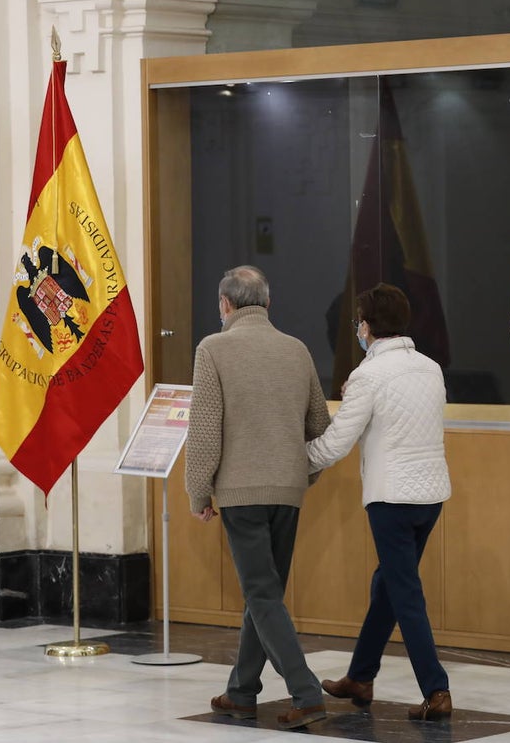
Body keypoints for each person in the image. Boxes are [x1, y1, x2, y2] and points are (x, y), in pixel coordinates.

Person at [185, 265, 331, 730]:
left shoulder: (213, 348)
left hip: (241, 492)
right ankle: (241, 692)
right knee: (263, 594)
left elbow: (205, 430)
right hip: (287, 491)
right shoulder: (297, 350)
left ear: (225, 305)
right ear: (267, 304)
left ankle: (306, 693)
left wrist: (198, 491)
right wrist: (301, 476)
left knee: (262, 595)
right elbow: (320, 430)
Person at [305, 283, 453, 721]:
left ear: (367, 326)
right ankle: (361, 677)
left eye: (358, 322)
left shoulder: (368, 377)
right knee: (387, 586)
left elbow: (335, 445)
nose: (356, 329)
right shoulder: (430, 368)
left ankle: (437, 690)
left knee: (404, 594)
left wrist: (295, 459)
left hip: (392, 499)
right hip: (431, 496)